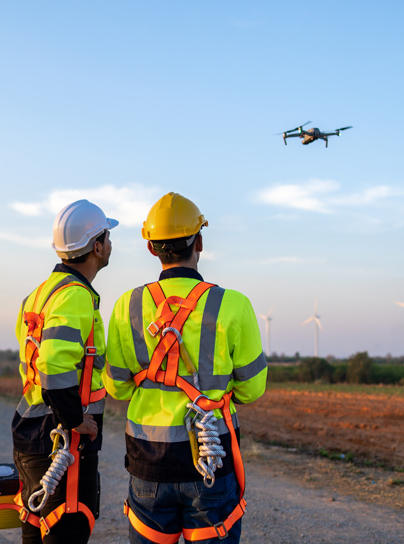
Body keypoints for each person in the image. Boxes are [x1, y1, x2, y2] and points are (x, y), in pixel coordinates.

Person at [103, 192, 267, 544]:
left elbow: (116, 387)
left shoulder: (125, 306)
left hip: (147, 459)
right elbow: (252, 389)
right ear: (200, 242)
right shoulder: (233, 305)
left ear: (151, 248)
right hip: (212, 457)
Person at [10, 199, 118, 544]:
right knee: (66, 528)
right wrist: (74, 420)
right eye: (107, 236)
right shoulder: (75, 297)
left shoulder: (39, 294)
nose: (111, 244)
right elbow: (54, 365)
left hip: (32, 429)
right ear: (97, 247)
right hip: (60, 440)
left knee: (35, 529)